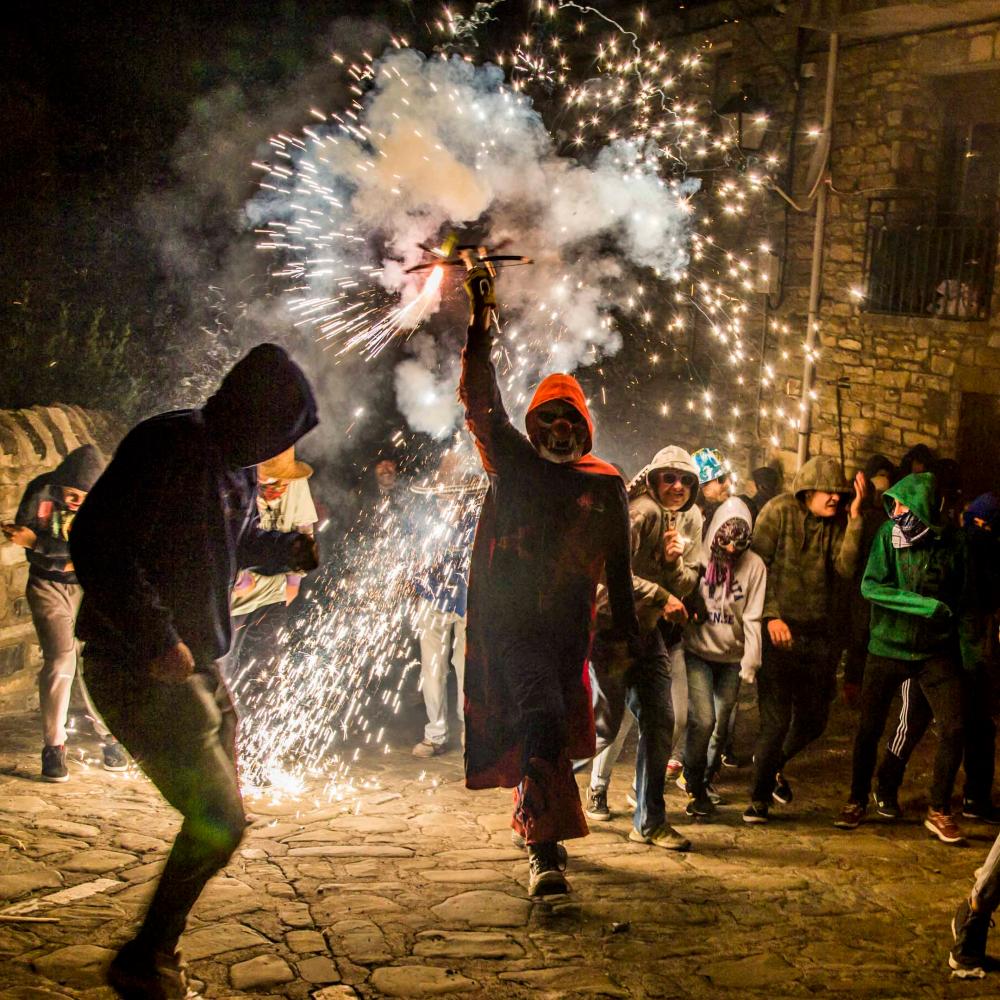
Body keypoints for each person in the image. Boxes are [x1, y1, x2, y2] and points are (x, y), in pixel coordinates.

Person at [70, 344, 320, 999]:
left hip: (198, 669)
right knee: (219, 821)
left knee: (219, 818)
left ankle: (155, 953)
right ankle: (144, 959)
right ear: (251, 411)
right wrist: (156, 637)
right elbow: (96, 541)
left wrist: (285, 550)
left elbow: (230, 541)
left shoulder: (236, 469)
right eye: (278, 431)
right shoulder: (169, 445)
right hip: (138, 669)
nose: (278, 448)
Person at [459, 266, 638, 897]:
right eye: (550, 418)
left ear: (585, 428)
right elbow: (481, 405)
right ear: (534, 425)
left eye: (571, 420)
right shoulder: (513, 463)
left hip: (568, 634)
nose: (561, 429)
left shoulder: (604, 484)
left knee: (555, 729)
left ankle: (538, 819)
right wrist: (479, 321)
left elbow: (619, 568)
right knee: (541, 712)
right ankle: (544, 852)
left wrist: (627, 642)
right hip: (515, 629)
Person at [833, 472, 974, 843]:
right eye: (893, 504)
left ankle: (938, 809)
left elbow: (963, 596)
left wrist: (967, 649)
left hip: (935, 650)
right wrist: (924, 606)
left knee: (955, 727)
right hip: (887, 646)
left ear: (923, 506)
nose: (895, 512)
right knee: (869, 728)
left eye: (902, 504)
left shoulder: (953, 543)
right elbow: (871, 586)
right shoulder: (887, 536)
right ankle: (856, 799)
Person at [585, 446, 701, 851]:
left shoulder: (678, 519)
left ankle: (650, 821)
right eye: (670, 478)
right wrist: (660, 595)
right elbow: (605, 575)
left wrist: (671, 564)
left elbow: (686, 585)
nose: (678, 486)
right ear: (652, 480)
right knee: (601, 729)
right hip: (613, 633)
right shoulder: (642, 512)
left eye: (686, 480)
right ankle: (538, 794)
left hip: (646, 634)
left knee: (660, 720)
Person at [743, 456, 864, 824]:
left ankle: (770, 765)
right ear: (808, 491)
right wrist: (771, 615)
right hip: (778, 631)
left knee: (814, 720)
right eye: (829, 491)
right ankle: (758, 798)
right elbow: (755, 567)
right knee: (776, 721)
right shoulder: (777, 512)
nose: (835, 498)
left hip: (816, 634)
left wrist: (855, 519)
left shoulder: (837, 521)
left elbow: (845, 567)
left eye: (840, 493)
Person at [872, 491, 1000, 825]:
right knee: (912, 721)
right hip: (933, 651)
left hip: (964, 654)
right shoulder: (948, 547)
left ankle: (965, 799)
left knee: (967, 727)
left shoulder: (973, 551)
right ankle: (887, 785)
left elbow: (976, 605)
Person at [3, 445, 127, 781]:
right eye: (70, 494)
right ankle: (54, 746)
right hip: (48, 585)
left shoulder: (110, 502)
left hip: (91, 587)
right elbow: (29, 534)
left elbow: (94, 551)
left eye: (83, 498)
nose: (74, 502)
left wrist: (39, 544)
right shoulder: (41, 490)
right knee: (61, 660)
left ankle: (111, 736)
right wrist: (56, 552)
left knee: (96, 660)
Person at [682, 497, 765, 816]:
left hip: (731, 657)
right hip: (698, 652)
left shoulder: (754, 566)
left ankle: (704, 782)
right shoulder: (699, 557)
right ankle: (693, 781)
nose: (731, 549)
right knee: (703, 719)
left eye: (739, 543)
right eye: (726, 540)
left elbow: (753, 615)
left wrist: (751, 658)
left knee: (721, 727)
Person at [226, 446, 318, 717]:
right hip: (232, 604)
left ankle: (259, 727)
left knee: (265, 671)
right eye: (269, 482)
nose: (278, 488)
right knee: (224, 673)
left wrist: (294, 582)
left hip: (272, 595)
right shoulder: (236, 485)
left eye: (282, 482)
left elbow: (305, 529)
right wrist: (234, 575)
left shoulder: (296, 482)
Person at [411, 453, 478, 758]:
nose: (447, 501)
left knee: (467, 667)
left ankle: (470, 731)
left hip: (468, 599)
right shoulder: (423, 519)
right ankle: (435, 733)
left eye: (453, 495)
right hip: (431, 598)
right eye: (442, 495)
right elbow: (412, 555)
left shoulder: (477, 519)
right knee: (432, 668)